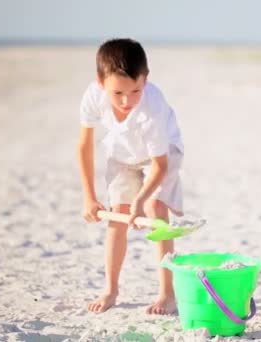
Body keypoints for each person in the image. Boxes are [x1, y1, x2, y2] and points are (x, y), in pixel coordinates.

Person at [77, 38, 184, 315]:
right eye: (118, 93)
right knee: (117, 215)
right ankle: (111, 289)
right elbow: (84, 147)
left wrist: (141, 201)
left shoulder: (152, 107)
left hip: (160, 155)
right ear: (101, 83)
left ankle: (167, 294)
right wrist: (89, 198)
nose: (127, 101)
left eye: (136, 90)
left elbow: (160, 165)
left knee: (155, 211)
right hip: (122, 155)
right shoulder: (93, 96)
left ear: (145, 79)